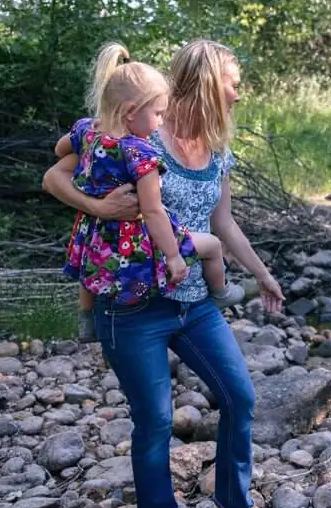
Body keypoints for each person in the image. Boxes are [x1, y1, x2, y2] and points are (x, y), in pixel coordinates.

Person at [43, 39, 285, 508]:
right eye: (234, 83)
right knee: (154, 418)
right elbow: (54, 176)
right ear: (206, 81)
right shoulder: (137, 131)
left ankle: (232, 501)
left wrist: (262, 274)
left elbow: (221, 224)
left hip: (194, 302)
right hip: (131, 308)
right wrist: (99, 207)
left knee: (239, 396)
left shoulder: (218, 150)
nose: (240, 94)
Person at [58, 43, 246, 342]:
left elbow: (59, 149)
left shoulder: (91, 132)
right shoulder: (140, 149)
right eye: (158, 113)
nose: (160, 120)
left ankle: (87, 317)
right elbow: (153, 210)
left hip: (97, 235)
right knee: (207, 248)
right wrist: (172, 254)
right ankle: (209, 294)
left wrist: (86, 145)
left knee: (92, 270)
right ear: (132, 113)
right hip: (138, 241)